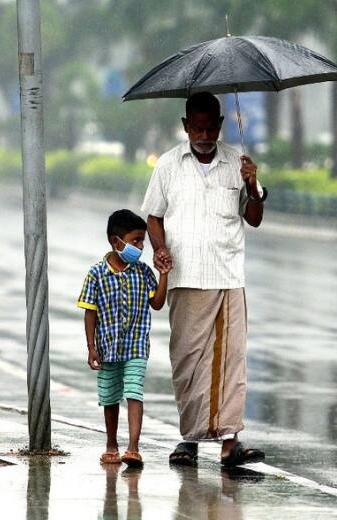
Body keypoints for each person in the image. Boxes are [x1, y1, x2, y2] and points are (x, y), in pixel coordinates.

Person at [140, 91, 267, 467]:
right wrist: (159, 248)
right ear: (185, 127)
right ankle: (189, 441)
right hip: (184, 277)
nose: (205, 134)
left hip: (227, 275)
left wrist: (252, 185)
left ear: (221, 125)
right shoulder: (167, 165)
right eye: (197, 128)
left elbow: (255, 217)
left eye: (211, 127)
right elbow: (153, 217)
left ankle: (231, 442)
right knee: (187, 359)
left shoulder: (237, 164)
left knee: (230, 362)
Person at [78, 209, 169, 468]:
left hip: (137, 345)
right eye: (135, 240)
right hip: (108, 348)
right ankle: (111, 445)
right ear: (115, 241)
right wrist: (91, 347)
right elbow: (90, 312)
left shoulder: (143, 272)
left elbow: (158, 303)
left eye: (142, 241)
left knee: (134, 392)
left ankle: (133, 448)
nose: (140, 246)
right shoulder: (96, 274)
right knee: (110, 396)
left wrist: (164, 274)